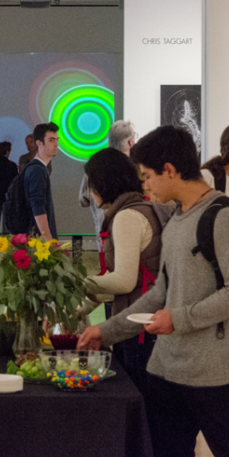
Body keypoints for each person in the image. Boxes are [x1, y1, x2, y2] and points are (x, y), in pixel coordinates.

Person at [79, 126, 229, 457]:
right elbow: (162, 292)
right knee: (166, 455)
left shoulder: (225, 216)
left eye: (147, 176)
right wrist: (105, 332)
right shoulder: (176, 218)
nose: (144, 185)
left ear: (170, 170)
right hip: (166, 368)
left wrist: (178, 318)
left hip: (211, 371)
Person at [83, 147, 170, 398]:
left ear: (104, 182)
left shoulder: (127, 217)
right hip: (150, 322)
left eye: (92, 184)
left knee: (140, 402)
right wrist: (80, 308)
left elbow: (123, 280)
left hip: (137, 328)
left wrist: (76, 282)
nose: (91, 191)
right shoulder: (142, 208)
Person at [79, 119, 137, 248]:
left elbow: (83, 199)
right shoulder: (136, 169)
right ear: (130, 142)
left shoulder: (94, 165)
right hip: (131, 238)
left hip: (103, 240)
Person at [24, 122, 59, 241]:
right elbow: (37, 206)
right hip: (39, 244)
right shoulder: (37, 169)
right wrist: (48, 239)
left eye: (57, 140)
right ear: (39, 143)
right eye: (51, 140)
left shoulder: (36, 167)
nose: (56, 144)